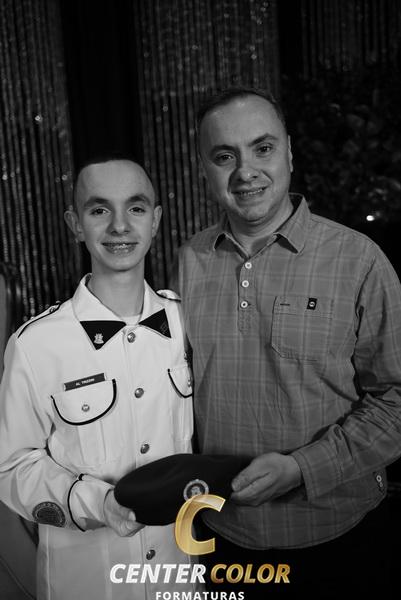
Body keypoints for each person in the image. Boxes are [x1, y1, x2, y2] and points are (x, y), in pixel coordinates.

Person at [173, 87, 401, 598]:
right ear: (204, 168)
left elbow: (398, 400)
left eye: (262, 148)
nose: (245, 171)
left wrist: (303, 468)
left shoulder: (359, 259)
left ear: (290, 153)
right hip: (221, 539)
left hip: (342, 541)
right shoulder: (189, 261)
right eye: (224, 156)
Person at [0, 156, 196, 600]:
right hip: (87, 584)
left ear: (155, 220)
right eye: (99, 209)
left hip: (179, 578)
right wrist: (96, 503)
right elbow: (11, 467)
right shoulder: (35, 344)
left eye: (136, 208)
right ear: (76, 224)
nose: (120, 226)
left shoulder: (186, 322)